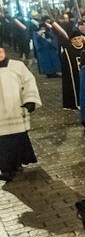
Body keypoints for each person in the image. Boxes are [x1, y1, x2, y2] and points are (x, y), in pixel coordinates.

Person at [0, 47, 42, 181]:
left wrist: (30, 100)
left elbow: (29, 82)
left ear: (4, 52)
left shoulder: (17, 66)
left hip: (16, 110)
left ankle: (17, 163)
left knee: (17, 138)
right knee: (3, 142)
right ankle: (6, 169)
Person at [60, 30, 85, 110]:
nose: (77, 41)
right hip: (74, 75)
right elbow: (65, 67)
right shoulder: (67, 51)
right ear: (71, 41)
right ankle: (74, 103)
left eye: (79, 38)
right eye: (75, 39)